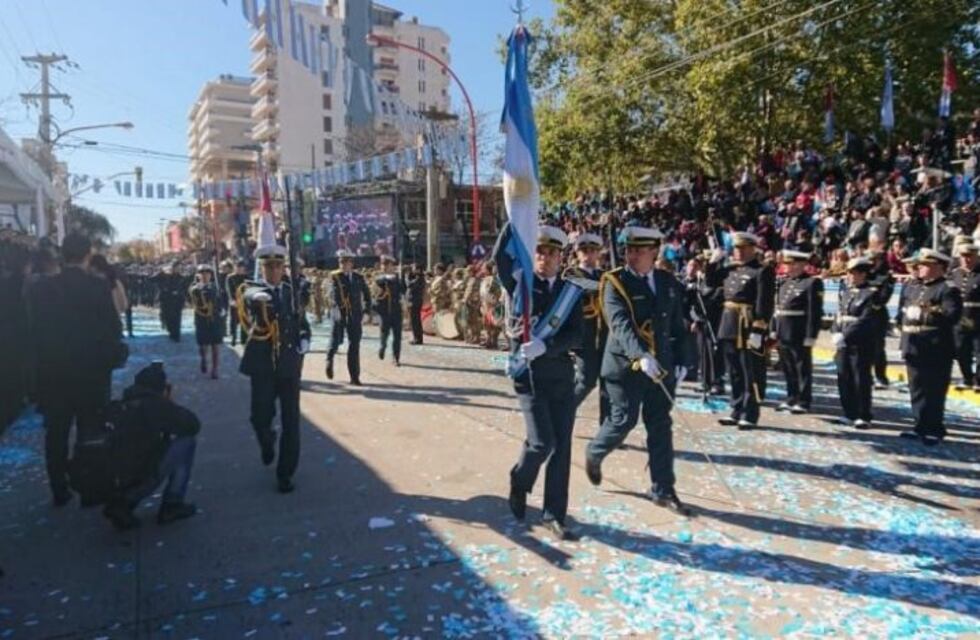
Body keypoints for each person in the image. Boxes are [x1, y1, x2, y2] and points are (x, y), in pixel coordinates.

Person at [584, 226, 694, 516]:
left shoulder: (667, 281)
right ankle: (594, 453)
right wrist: (641, 356)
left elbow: (677, 326)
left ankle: (663, 488)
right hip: (626, 366)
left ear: (655, 252)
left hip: (661, 368)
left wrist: (683, 361)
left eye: (639, 251)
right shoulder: (614, 282)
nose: (632, 256)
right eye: (629, 250)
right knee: (623, 421)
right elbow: (620, 325)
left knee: (660, 425)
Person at [494, 224, 583, 540]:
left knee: (562, 449)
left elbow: (578, 334)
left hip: (560, 377)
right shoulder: (520, 282)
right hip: (529, 378)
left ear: (561, 257)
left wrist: (550, 345)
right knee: (542, 442)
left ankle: (554, 515)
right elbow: (499, 259)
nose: (545, 257)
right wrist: (516, 218)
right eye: (540, 251)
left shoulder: (570, 292)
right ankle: (520, 481)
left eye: (552, 252)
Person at [26, 233, 124, 506]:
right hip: (91, 372)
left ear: (62, 254)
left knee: (56, 432)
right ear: (87, 254)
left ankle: (59, 488)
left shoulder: (41, 289)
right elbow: (112, 329)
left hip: (54, 372)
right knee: (90, 429)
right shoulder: (97, 287)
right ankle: (89, 484)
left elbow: (33, 332)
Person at [239, 243, 311, 492]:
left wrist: (305, 337)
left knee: (292, 421)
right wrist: (258, 298)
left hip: (289, 364)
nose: (274, 271)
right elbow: (247, 299)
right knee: (260, 415)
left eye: (279, 266)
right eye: (269, 266)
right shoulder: (253, 289)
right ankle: (266, 440)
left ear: (284, 267)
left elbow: (301, 319)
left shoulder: (292, 292)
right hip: (262, 365)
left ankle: (285, 473)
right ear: (262, 268)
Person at [101, 362, 201, 531]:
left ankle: (122, 502)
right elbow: (192, 425)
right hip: (138, 474)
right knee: (186, 442)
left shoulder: (120, 406)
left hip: (112, 478)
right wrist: (169, 402)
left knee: (138, 461)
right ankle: (171, 503)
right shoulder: (155, 406)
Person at [706, 232, 775, 429]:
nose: (739, 252)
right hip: (729, 322)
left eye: (744, 248)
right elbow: (711, 282)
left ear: (753, 249)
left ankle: (750, 413)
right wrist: (713, 262)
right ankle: (736, 409)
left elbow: (765, 303)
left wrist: (759, 328)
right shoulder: (731, 270)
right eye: (736, 248)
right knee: (734, 370)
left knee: (751, 370)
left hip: (749, 324)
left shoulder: (762, 271)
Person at [899, 249, 962, 445]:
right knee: (916, 388)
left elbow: (953, 315)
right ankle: (920, 425)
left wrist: (929, 311)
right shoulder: (915, 287)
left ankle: (935, 428)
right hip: (913, 343)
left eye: (926, 265)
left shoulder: (947, 288)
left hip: (936, 346)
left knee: (934, 389)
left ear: (939, 267)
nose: (921, 268)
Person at [564, 233, 609, 426]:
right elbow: (586, 287)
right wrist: (610, 286)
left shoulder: (605, 276)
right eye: (584, 251)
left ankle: (606, 429)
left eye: (593, 251)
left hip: (605, 336)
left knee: (608, 385)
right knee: (586, 381)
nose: (588, 255)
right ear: (577, 252)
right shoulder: (571, 273)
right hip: (584, 336)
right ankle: (563, 413)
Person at [773, 250, 823, 414]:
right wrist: (774, 329)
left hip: (798, 331)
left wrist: (811, 335)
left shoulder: (811, 283)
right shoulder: (784, 283)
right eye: (786, 264)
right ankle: (791, 396)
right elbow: (778, 309)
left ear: (801, 265)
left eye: (791, 264)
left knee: (802, 367)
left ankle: (803, 400)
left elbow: (814, 312)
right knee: (787, 367)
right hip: (783, 330)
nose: (787, 267)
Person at [831, 257, 878, 428]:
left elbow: (865, 319)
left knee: (860, 378)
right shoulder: (847, 292)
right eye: (848, 273)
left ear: (863, 274)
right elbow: (839, 315)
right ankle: (849, 412)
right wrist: (835, 331)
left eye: (853, 273)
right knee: (844, 377)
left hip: (860, 342)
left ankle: (863, 414)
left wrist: (846, 335)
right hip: (844, 341)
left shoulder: (871, 293)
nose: (849, 276)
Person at [327, 250, 370, 385]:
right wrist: (337, 309)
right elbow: (333, 294)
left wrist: (367, 311)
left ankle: (354, 376)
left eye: (347, 262)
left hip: (355, 314)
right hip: (339, 313)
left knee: (354, 344)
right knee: (336, 340)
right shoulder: (335, 277)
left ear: (351, 263)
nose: (344, 265)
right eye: (341, 262)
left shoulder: (358, 277)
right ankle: (330, 357)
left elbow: (366, 294)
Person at [948, 242, 980, 391]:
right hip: (960, 319)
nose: (966, 260)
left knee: (979, 351)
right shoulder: (955, 274)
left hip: (977, 317)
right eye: (963, 256)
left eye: (970, 256)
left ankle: (978, 380)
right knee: (961, 351)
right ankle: (967, 377)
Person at [867, 250, 896, 390]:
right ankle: (867, 376)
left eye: (875, 259)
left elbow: (883, 297)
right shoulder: (865, 274)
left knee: (878, 349)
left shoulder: (885, 277)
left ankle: (881, 377)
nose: (872, 262)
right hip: (862, 316)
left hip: (876, 315)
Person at [189, 264, 224, 379]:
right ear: (198, 275)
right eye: (202, 274)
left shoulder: (216, 287)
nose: (205, 276)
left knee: (215, 345)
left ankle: (215, 369)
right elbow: (192, 300)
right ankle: (203, 359)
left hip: (215, 319)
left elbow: (222, 300)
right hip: (201, 319)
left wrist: (223, 308)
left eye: (207, 274)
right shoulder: (195, 289)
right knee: (203, 345)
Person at [374, 255, 405, 366]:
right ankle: (383, 346)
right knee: (384, 333)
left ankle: (396, 358)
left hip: (396, 311)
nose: (391, 267)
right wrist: (388, 278)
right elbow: (378, 286)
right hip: (384, 312)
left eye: (392, 265)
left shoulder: (398, 279)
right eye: (388, 265)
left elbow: (403, 291)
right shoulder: (380, 279)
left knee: (397, 336)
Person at [155, 262, 187, 342]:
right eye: (175, 268)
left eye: (178, 268)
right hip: (167, 301)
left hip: (178, 301)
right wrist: (160, 272)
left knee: (177, 318)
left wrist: (183, 298)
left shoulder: (181, 278)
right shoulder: (165, 277)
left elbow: (184, 288)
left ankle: (176, 334)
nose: (176, 269)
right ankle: (171, 330)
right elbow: (153, 280)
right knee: (169, 317)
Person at [225, 259, 249, 346]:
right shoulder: (230, 277)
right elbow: (229, 289)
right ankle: (234, 337)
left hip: (244, 301)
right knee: (234, 321)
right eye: (237, 267)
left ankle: (244, 339)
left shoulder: (247, 277)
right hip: (234, 301)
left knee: (245, 320)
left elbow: (249, 289)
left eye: (240, 267)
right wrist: (232, 299)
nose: (239, 269)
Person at [406, 263, 427, 345]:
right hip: (414, 301)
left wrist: (407, 277)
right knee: (414, 321)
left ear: (418, 269)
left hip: (415, 302)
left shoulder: (419, 278)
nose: (413, 270)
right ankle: (417, 337)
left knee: (415, 321)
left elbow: (409, 285)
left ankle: (418, 338)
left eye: (414, 268)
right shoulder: (417, 277)